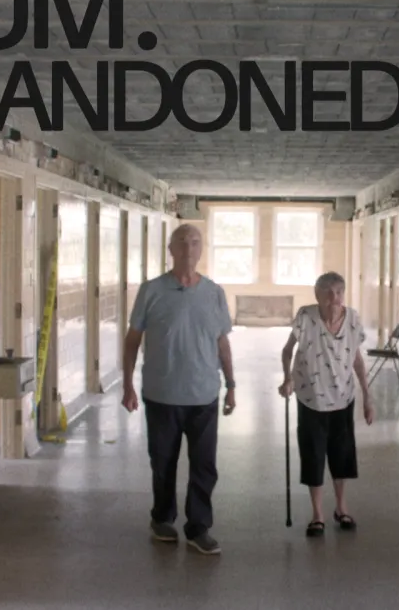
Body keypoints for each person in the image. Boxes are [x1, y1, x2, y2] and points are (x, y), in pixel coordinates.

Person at [122, 224, 236, 555]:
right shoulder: (151, 290)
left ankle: (199, 527)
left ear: (202, 250)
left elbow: (222, 341)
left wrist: (231, 384)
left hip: (203, 394)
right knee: (163, 461)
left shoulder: (214, 292)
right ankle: (162, 518)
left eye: (195, 242)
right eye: (182, 242)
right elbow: (133, 340)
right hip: (162, 394)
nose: (189, 247)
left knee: (204, 465)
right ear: (170, 249)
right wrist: (128, 384)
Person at [278, 271, 374, 538]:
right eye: (328, 293)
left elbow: (357, 360)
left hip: (343, 399)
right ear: (317, 295)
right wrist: (288, 379)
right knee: (314, 455)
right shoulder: (306, 317)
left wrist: (367, 396)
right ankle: (317, 513)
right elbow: (287, 352)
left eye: (339, 292)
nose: (335, 298)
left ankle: (341, 508)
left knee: (342, 456)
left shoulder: (353, 319)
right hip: (311, 399)